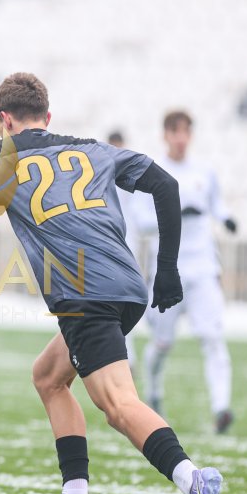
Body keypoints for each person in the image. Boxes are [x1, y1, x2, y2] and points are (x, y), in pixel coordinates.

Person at [0, 73, 224, 494]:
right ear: (47, 117)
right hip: (125, 288)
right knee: (49, 377)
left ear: (4, 121)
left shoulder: (0, 156)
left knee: (116, 403)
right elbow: (166, 186)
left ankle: (192, 479)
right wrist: (166, 269)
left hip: (83, 293)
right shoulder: (94, 149)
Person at [128, 111, 237, 433]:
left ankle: (222, 407)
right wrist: (175, 213)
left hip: (203, 269)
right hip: (167, 271)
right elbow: (142, 221)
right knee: (162, 343)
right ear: (165, 135)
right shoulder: (151, 173)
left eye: (185, 132)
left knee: (213, 338)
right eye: (174, 131)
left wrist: (227, 218)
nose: (180, 137)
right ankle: (154, 393)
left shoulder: (204, 172)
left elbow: (216, 205)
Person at [107, 130, 140, 373]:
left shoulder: (129, 175)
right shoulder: (99, 173)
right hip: (107, 245)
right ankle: (121, 357)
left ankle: (129, 357)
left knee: (125, 301)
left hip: (127, 245)